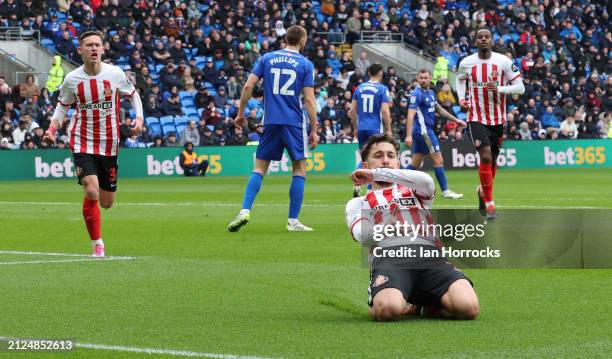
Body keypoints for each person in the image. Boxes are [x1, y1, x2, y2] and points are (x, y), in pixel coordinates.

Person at [345, 134, 479, 321]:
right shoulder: (358, 203)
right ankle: (382, 296)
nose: (385, 160)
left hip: (429, 257)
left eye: (391, 156)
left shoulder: (415, 190)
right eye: (378, 156)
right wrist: (386, 229)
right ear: (364, 166)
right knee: (388, 311)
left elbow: (427, 181)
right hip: (390, 259)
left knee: (468, 308)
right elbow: (363, 237)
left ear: (398, 163)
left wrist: (377, 173)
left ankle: (420, 307)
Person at [43, 31, 144, 258]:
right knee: (91, 190)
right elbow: (62, 107)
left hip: (109, 143)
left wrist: (139, 118)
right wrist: (52, 129)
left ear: (103, 49)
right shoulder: (72, 79)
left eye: (97, 44)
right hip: (82, 140)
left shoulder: (115, 74)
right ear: (81, 50)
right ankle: (97, 243)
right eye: (89, 45)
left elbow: (134, 94)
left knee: (106, 202)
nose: (94, 48)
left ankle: (93, 196)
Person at [227, 25, 319, 232]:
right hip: (294, 122)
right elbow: (310, 100)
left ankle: (244, 211)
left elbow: (248, 86)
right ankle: (293, 221)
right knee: (299, 170)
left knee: (259, 168)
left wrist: (241, 115)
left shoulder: (267, 58)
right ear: (302, 42)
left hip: (270, 121)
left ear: (285, 39)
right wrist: (314, 129)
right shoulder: (305, 64)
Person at [456, 26, 525, 219]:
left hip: (497, 119)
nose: (484, 39)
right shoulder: (467, 62)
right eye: (480, 37)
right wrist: (462, 99)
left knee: (493, 162)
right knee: (485, 157)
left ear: (492, 40)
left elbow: (520, 88)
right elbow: (460, 80)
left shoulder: (503, 61)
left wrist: (500, 90)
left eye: (487, 36)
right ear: (475, 41)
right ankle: (490, 204)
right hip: (475, 117)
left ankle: (482, 192)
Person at [405, 69, 465, 199]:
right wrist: (408, 135)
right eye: (421, 78)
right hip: (424, 132)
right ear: (417, 78)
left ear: (430, 78)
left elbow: (440, 109)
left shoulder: (431, 93)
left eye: (425, 77)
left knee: (415, 163)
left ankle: (395, 184)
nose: (423, 80)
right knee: (438, 160)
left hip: (424, 131)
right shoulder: (417, 94)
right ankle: (445, 191)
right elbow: (410, 115)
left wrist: (456, 120)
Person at [348, 63, 392, 197]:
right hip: (375, 128)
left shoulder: (359, 88)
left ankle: (357, 184)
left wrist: (355, 127)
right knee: (376, 160)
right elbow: (385, 110)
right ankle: (369, 191)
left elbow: (352, 111)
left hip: (362, 128)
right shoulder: (382, 89)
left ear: (369, 73)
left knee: (365, 159)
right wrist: (389, 129)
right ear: (380, 74)